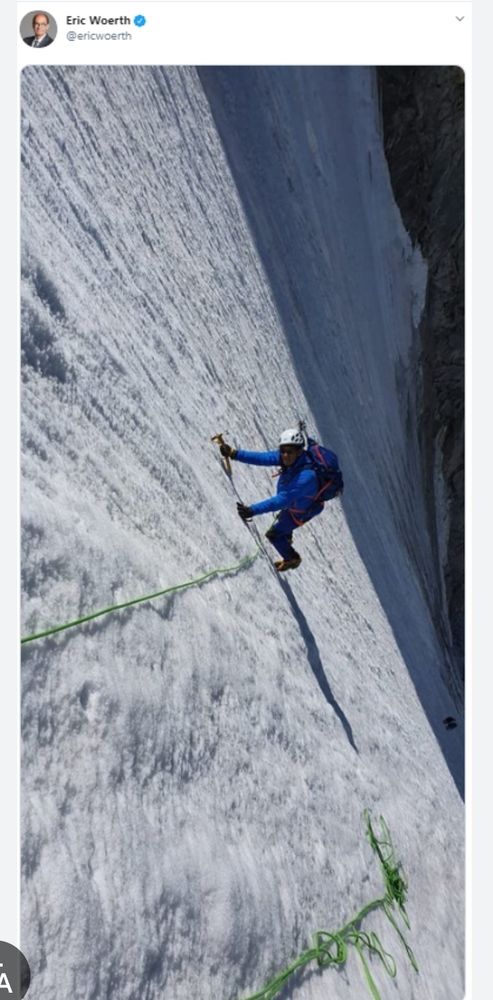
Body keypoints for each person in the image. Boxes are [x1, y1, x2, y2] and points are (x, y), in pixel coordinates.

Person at [220, 428, 339, 572]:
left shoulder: (307, 478)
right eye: (282, 451)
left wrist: (252, 510)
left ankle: (292, 559)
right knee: (284, 520)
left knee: (274, 535)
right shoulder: (293, 459)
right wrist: (234, 453)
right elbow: (264, 458)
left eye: (289, 451)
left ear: (299, 451)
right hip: (295, 503)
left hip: (301, 511)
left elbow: (282, 501)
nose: (285, 455)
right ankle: (287, 535)